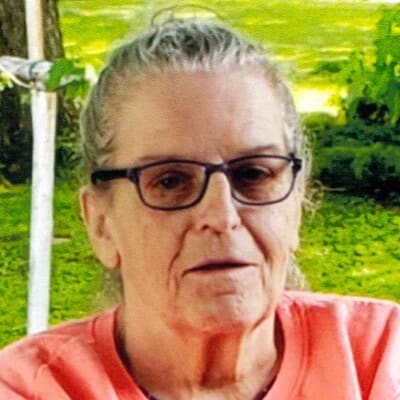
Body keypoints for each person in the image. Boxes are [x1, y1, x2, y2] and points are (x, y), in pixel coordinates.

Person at [0, 13, 399, 400]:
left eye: (254, 174)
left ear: (295, 205)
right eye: (170, 181)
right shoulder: (32, 388)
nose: (222, 217)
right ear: (101, 224)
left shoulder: (378, 360)